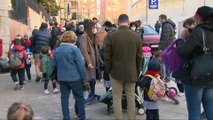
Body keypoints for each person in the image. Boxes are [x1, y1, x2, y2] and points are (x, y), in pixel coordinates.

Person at [176, 6, 213, 120]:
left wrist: (181, 40)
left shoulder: (198, 32)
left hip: (195, 78)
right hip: (211, 77)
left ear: (198, 17)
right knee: (210, 110)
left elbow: (184, 52)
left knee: (194, 111)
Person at [105, 14, 142, 120]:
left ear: (118, 22)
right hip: (131, 72)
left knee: (116, 98)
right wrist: (137, 71)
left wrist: (109, 70)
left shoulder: (111, 36)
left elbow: (107, 57)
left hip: (116, 72)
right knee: (131, 98)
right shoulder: (136, 37)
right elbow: (139, 58)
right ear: (129, 22)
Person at [51, 31, 87, 120]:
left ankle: (66, 117)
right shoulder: (75, 49)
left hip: (62, 78)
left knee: (64, 99)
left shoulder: (57, 50)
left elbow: (52, 65)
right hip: (75, 78)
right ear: (73, 39)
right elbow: (80, 65)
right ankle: (81, 117)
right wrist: (85, 78)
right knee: (79, 98)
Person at [79, 19, 102, 100]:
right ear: (90, 28)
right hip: (88, 61)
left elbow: (97, 49)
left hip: (94, 60)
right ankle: (86, 96)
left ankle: (92, 94)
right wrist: (88, 62)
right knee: (87, 79)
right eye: (94, 27)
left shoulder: (93, 36)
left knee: (93, 79)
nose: (95, 29)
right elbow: (84, 50)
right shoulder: (83, 37)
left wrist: (100, 60)